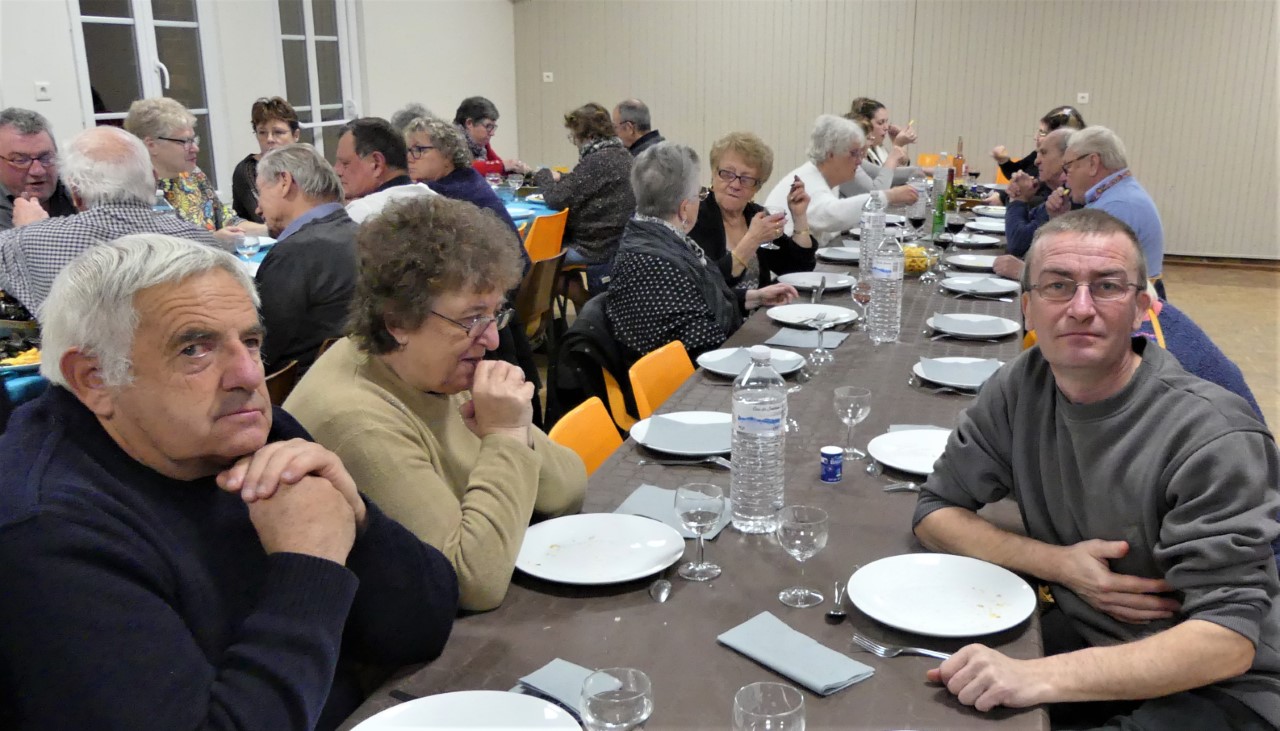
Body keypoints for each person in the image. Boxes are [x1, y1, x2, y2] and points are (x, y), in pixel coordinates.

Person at [0, 234, 458, 730]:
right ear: (95, 378)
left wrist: (359, 520)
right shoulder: (46, 531)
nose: (247, 374)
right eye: (195, 349)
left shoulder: (259, 436)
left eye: (252, 341)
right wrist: (309, 566)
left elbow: (426, 626)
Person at [912, 209, 1279, 729]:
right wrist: (1058, 564)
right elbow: (934, 511)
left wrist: (1036, 676)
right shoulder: (1020, 388)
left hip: (1220, 689)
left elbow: (1228, 641)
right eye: (1058, 286)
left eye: (1106, 287)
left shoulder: (1213, 436)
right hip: (1095, 635)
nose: (1081, 308)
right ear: (1027, 309)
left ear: (1141, 310)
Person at [285, 195, 587, 612]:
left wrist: (514, 431)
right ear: (397, 322)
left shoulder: (433, 364)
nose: (494, 339)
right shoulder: (357, 419)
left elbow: (570, 488)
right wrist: (504, 438)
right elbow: (469, 584)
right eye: (471, 318)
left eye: (494, 314)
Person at [606, 142, 798, 360]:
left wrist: (754, 298)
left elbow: (701, 302)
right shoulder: (659, 263)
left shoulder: (651, 239)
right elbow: (704, 346)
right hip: (687, 382)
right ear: (684, 208)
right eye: (699, 194)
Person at [0, 126, 217, 313]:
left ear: (75, 192)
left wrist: (30, 231)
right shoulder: (201, 241)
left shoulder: (27, 242)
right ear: (154, 177)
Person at [254, 143, 358, 374]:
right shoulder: (368, 237)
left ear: (284, 182)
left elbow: (259, 351)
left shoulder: (292, 255)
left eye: (260, 192)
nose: (258, 209)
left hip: (297, 396)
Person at [124, 97, 268, 245]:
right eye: (184, 142)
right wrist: (213, 241)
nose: (195, 149)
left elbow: (228, 222)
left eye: (193, 140)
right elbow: (156, 250)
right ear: (151, 145)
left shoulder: (193, 176)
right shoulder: (133, 192)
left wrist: (273, 229)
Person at [688, 131, 815, 290]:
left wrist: (799, 216)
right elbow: (707, 283)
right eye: (727, 174)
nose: (735, 185)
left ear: (757, 187)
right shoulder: (695, 216)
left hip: (760, 312)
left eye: (746, 179)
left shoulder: (755, 215)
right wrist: (753, 239)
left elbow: (798, 271)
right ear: (714, 173)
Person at [531, 102, 636, 295]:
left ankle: (542, 320)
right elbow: (584, 183)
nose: (575, 143)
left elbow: (555, 198)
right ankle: (582, 306)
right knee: (559, 272)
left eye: (574, 137)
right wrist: (560, 177)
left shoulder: (597, 161)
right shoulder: (621, 155)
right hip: (614, 242)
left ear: (589, 136)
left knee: (533, 263)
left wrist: (543, 174)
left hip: (592, 248)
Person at [763, 114, 917, 245]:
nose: (859, 161)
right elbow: (832, 215)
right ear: (831, 154)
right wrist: (890, 196)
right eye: (854, 153)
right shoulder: (807, 180)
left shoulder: (825, 177)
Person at [1053, 125, 1166, 298]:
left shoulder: (1116, 206)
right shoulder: (1120, 195)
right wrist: (1059, 217)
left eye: (1068, 167)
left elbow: (1080, 274)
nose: (1063, 177)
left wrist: (1022, 272)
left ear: (1093, 163)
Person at [404, 115, 521, 239]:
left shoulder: (442, 192)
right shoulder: (468, 177)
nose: (409, 158)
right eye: (408, 150)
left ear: (447, 154)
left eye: (419, 150)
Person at [335, 117, 435, 223]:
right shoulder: (437, 202)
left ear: (377, 164)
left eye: (345, 163)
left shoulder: (360, 214)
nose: (337, 171)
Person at [1001, 128, 1073, 259]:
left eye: (1044, 153)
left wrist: (1018, 199)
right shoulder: (1051, 190)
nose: (1036, 161)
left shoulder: (1069, 197)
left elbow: (1018, 244)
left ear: (1067, 157)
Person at [0, 108, 77, 230]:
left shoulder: (79, 193)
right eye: (20, 160)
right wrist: (31, 231)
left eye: (46, 157)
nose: (38, 171)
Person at [230, 96, 301, 224]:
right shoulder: (247, 170)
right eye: (262, 133)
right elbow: (267, 218)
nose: (269, 139)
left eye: (278, 132)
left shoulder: (306, 163)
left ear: (295, 135)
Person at [992, 105, 1087, 181]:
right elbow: (1016, 174)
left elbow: (1034, 195)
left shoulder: (1062, 174)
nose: (1035, 137)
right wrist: (1003, 160)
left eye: (1042, 133)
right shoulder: (1037, 155)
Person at [845, 97, 917, 185]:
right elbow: (883, 180)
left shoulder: (879, 148)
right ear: (866, 124)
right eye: (880, 123)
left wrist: (900, 145)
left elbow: (900, 175)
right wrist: (897, 146)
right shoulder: (860, 152)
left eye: (887, 122)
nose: (886, 127)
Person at [453, 96, 529, 178]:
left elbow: (497, 165)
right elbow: (465, 169)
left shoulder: (481, 145)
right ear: (469, 123)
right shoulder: (450, 141)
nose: (492, 133)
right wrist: (503, 166)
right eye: (488, 126)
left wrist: (516, 168)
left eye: (493, 127)